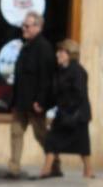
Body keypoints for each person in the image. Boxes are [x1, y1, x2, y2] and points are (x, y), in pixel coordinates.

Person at [6, 11, 56, 179]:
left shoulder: (44, 48)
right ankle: (14, 168)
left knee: (41, 135)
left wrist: (41, 101)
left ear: (38, 27)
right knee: (16, 132)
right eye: (23, 25)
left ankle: (54, 164)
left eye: (27, 26)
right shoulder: (26, 46)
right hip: (21, 101)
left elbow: (47, 78)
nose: (23, 28)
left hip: (34, 103)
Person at [39, 39, 94, 179]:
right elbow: (55, 93)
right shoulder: (60, 71)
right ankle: (46, 169)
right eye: (58, 51)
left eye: (61, 51)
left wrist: (67, 108)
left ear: (70, 54)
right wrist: (44, 105)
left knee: (83, 145)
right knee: (51, 140)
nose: (57, 54)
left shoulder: (78, 71)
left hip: (77, 115)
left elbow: (78, 93)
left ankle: (89, 171)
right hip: (64, 113)